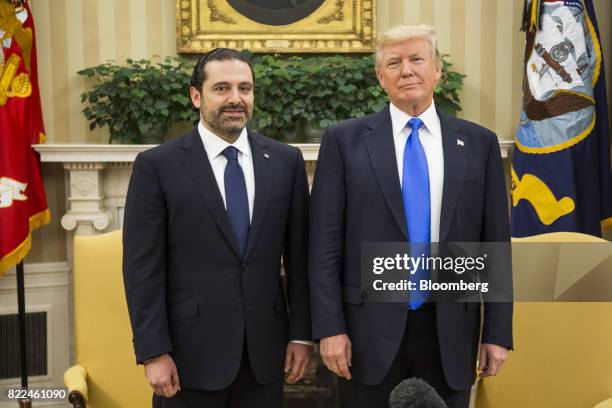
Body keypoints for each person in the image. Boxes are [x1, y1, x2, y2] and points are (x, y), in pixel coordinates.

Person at [308, 25, 513, 408]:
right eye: (394, 62)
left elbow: (494, 242)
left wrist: (497, 332)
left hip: (450, 331)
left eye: (417, 59)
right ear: (380, 77)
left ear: (437, 69)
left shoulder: (478, 144)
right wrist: (330, 328)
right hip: (364, 336)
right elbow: (324, 244)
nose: (407, 70)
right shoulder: (344, 141)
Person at [123, 48, 312, 408]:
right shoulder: (156, 167)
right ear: (196, 96)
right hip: (187, 358)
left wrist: (301, 335)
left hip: (265, 358)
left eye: (245, 88)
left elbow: (300, 259)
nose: (236, 99)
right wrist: (153, 352)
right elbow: (141, 269)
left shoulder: (286, 162)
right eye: (222, 88)